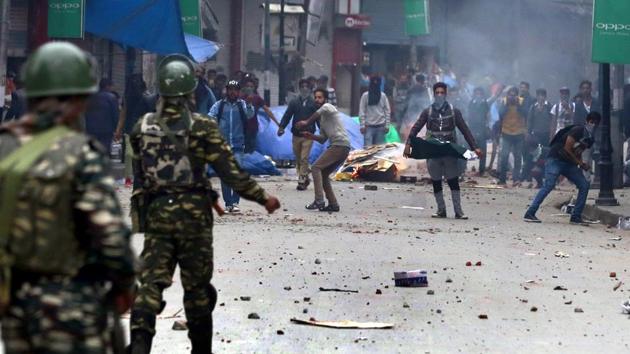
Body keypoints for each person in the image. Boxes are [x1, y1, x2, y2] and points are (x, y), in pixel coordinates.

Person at [128, 55, 280, 354]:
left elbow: (140, 176)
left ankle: (139, 346)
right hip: (194, 221)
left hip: (158, 216)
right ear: (191, 93)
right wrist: (263, 198)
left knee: (150, 285)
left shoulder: (141, 127)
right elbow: (231, 173)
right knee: (197, 290)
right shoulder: (203, 127)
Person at [0, 42, 136, 353]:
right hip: (72, 305)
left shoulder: (4, 146)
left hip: (16, 309)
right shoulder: (79, 153)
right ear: (77, 98)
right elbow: (111, 235)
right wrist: (126, 284)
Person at [403, 82, 482, 219]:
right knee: (436, 181)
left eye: (442, 92)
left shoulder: (454, 111)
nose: (439, 95)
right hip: (433, 151)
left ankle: (458, 211)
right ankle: (441, 210)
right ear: (434, 94)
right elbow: (415, 128)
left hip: (449, 151)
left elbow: (465, 130)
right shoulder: (427, 112)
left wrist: (475, 147)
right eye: (437, 92)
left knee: (453, 181)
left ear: (446, 94)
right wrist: (408, 144)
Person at [523, 112, 601, 225]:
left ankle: (576, 216)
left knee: (584, 185)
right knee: (549, 185)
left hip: (569, 164)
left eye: (596, 123)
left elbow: (577, 152)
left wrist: (581, 163)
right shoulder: (578, 130)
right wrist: (580, 163)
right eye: (591, 122)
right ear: (587, 121)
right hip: (555, 159)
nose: (593, 125)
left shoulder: (590, 139)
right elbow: (567, 149)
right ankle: (530, 213)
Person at [295, 88, 351, 212]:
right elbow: (322, 139)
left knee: (315, 167)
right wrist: (311, 136)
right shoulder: (323, 120)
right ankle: (333, 204)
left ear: (325, 99)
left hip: (339, 145)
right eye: (315, 97)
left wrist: (306, 122)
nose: (317, 100)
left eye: (320, 97)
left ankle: (319, 200)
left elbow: (318, 113)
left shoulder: (329, 107)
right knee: (324, 174)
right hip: (341, 147)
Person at [208, 80, 255, 213]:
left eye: (235, 89)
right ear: (226, 90)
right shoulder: (219, 105)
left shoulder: (242, 105)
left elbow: (250, 115)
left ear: (238, 92)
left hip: (238, 145)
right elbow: (210, 116)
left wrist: (250, 103)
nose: (232, 92)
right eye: (230, 89)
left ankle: (235, 202)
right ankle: (228, 203)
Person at [278, 79, 319, 190]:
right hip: (296, 134)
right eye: (302, 86)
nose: (304, 89)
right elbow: (287, 115)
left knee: (304, 158)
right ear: (299, 89)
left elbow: (318, 118)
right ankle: (305, 177)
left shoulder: (313, 103)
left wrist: (323, 132)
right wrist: (281, 127)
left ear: (310, 90)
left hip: (308, 134)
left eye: (307, 87)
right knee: (298, 158)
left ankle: (301, 179)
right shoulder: (294, 102)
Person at [498, 86, 529, 186]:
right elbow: (500, 114)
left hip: (519, 133)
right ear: (507, 95)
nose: (512, 96)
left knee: (517, 156)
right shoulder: (504, 101)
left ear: (517, 95)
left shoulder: (521, 101)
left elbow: (525, 113)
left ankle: (516, 179)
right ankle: (502, 179)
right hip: (506, 132)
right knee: (504, 156)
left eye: (514, 95)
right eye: (510, 95)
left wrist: (517, 104)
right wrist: (507, 104)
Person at [241, 76, 279, 152]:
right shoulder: (240, 97)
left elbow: (267, 110)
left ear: (254, 88)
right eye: (247, 86)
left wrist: (277, 123)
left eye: (251, 86)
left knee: (251, 147)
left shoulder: (257, 98)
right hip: (241, 127)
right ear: (244, 87)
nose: (249, 88)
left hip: (253, 127)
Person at [467, 87, 499, 175]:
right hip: (472, 129)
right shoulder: (470, 103)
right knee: (467, 148)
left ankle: (481, 170)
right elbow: (468, 115)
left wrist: (487, 126)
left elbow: (488, 116)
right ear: (474, 95)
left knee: (482, 151)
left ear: (482, 95)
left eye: (480, 94)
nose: (478, 96)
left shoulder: (485, 103)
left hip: (482, 129)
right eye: (476, 93)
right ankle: (462, 169)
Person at [524, 89, 552, 188]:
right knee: (536, 158)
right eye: (539, 95)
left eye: (543, 95)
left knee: (547, 158)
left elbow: (552, 121)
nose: (541, 97)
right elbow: (529, 121)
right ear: (537, 96)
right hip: (536, 137)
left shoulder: (549, 106)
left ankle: (548, 180)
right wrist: (528, 133)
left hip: (547, 135)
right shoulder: (533, 107)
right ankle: (538, 181)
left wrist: (552, 135)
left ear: (545, 96)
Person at [84, 78, 120, 151]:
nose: (112, 88)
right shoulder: (111, 97)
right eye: (111, 86)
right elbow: (115, 115)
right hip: (106, 131)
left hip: (91, 129)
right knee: (105, 150)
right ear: (107, 86)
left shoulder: (90, 97)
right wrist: (117, 129)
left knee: (93, 150)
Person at [359, 76, 391, 147]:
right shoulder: (365, 96)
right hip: (368, 127)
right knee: (368, 151)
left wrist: (387, 125)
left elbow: (387, 111)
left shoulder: (383, 96)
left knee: (379, 151)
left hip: (380, 127)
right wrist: (362, 125)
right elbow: (362, 111)